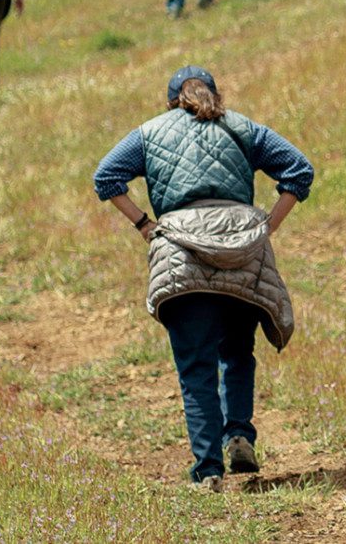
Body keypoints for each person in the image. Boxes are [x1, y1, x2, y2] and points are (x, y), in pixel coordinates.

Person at [93, 66, 315, 489]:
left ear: (171, 100)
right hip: (241, 250)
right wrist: (268, 225)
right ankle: (239, 436)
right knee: (237, 350)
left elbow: (106, 177)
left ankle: (208, 470)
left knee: (196, 366)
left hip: (181, 254)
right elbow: (299, 171)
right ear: (215, 94)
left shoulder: (150, 132)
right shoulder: (245, 128)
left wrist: (143, 224)